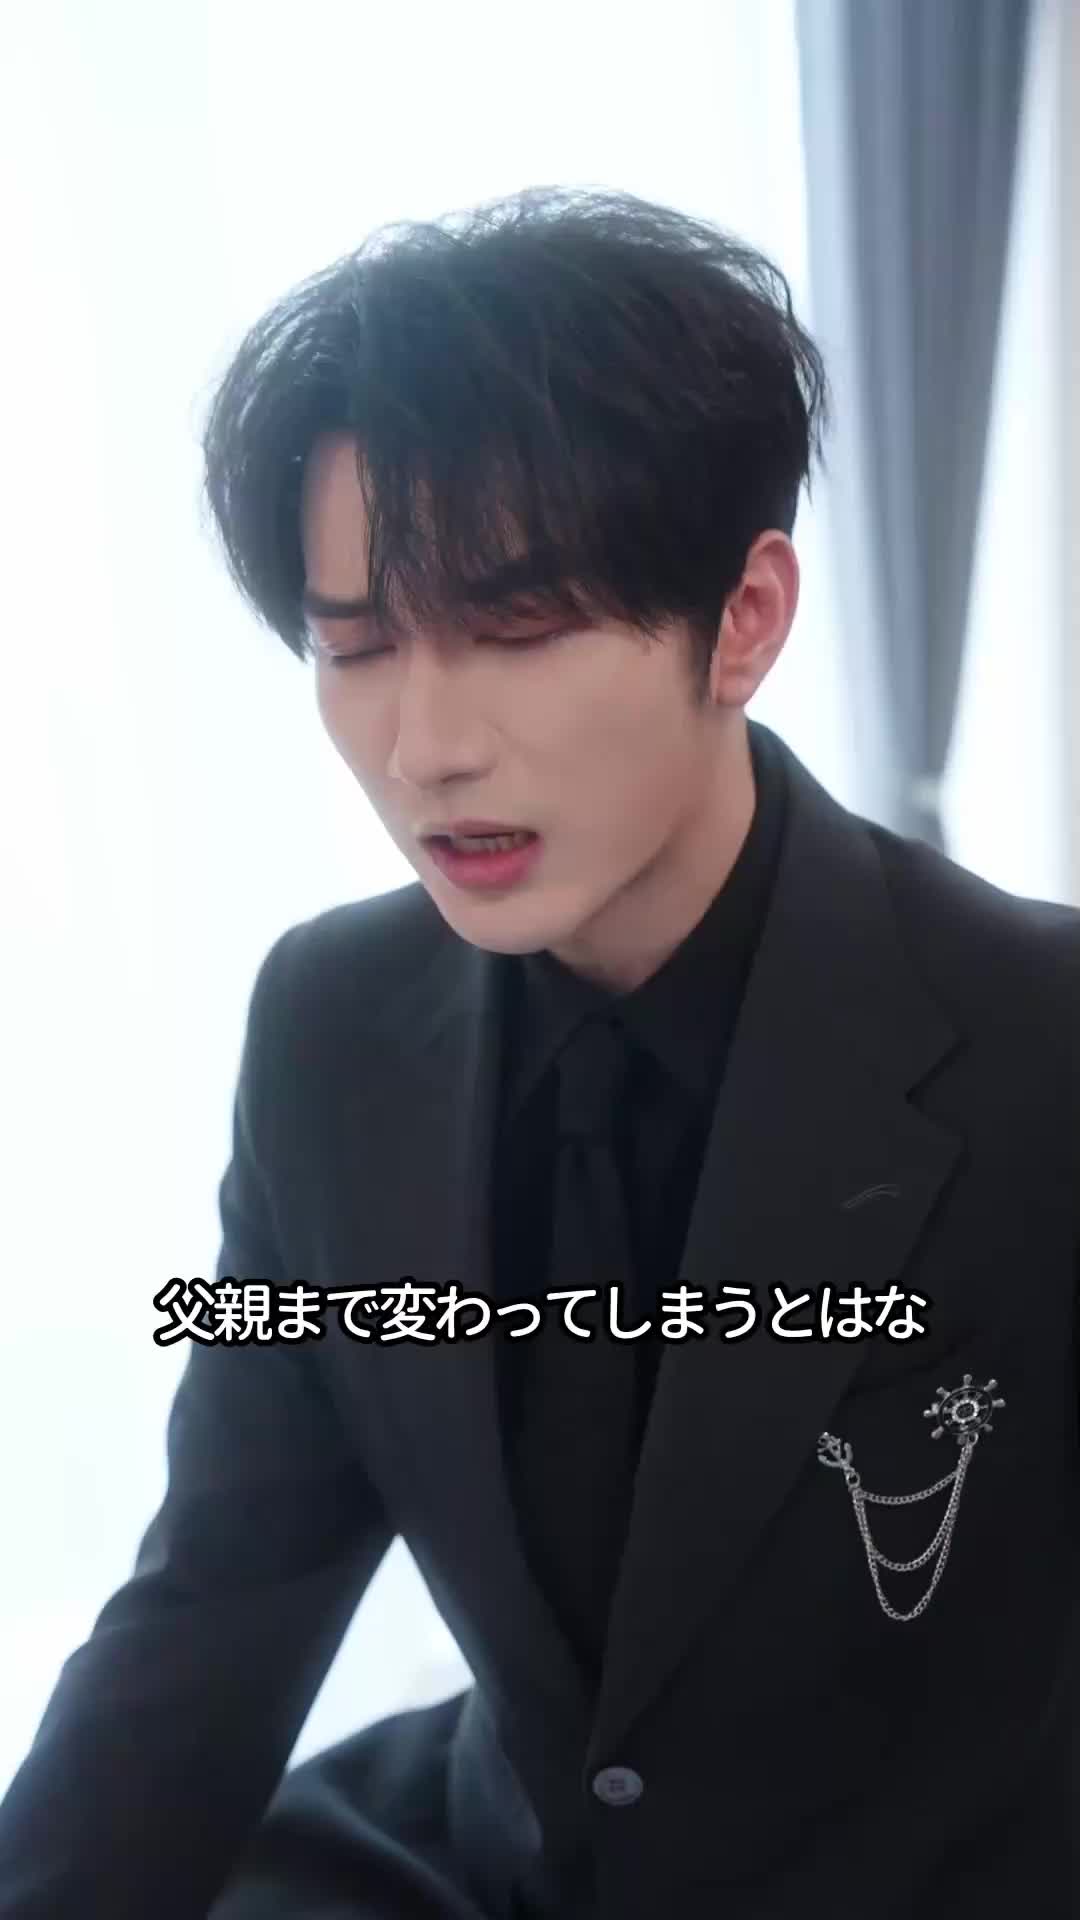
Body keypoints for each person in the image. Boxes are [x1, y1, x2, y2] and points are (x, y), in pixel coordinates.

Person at [0, 184, 1076, 1920]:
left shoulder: (1041, 1044)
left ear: (744, 618)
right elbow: (220, 1596)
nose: (425, 745)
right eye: (357, 646)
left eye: (515, 630)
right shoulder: (331, 1028)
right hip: (473, 1867)